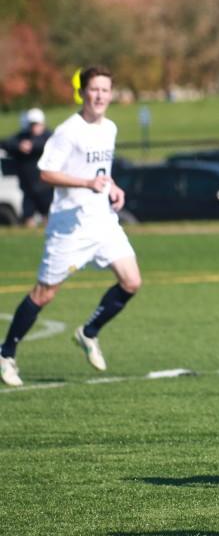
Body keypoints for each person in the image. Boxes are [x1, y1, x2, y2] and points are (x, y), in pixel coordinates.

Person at [0, 66, 141, 388]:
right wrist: (85, 182)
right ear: (83, 92)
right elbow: (46, 173)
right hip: (69, 226)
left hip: (102, 220)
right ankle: (6, 352)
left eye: (105, 90)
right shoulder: (68, 131)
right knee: (45, 293)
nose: (100, 96)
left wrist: (112, 186)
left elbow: (100, 170)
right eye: (94, 90)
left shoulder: (110, 128)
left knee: (131, 281)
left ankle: (88, 332)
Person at [3, 107, 53, 226]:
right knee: (28, 219)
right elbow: (6, 143)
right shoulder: (22, 136)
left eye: (36, 124)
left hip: (46, 186)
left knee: (49, 218)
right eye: (32, 124)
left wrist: (33, 145)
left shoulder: (48, 136)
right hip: (28, 187)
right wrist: (19, 146)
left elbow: (50, 144)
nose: (34, 127)